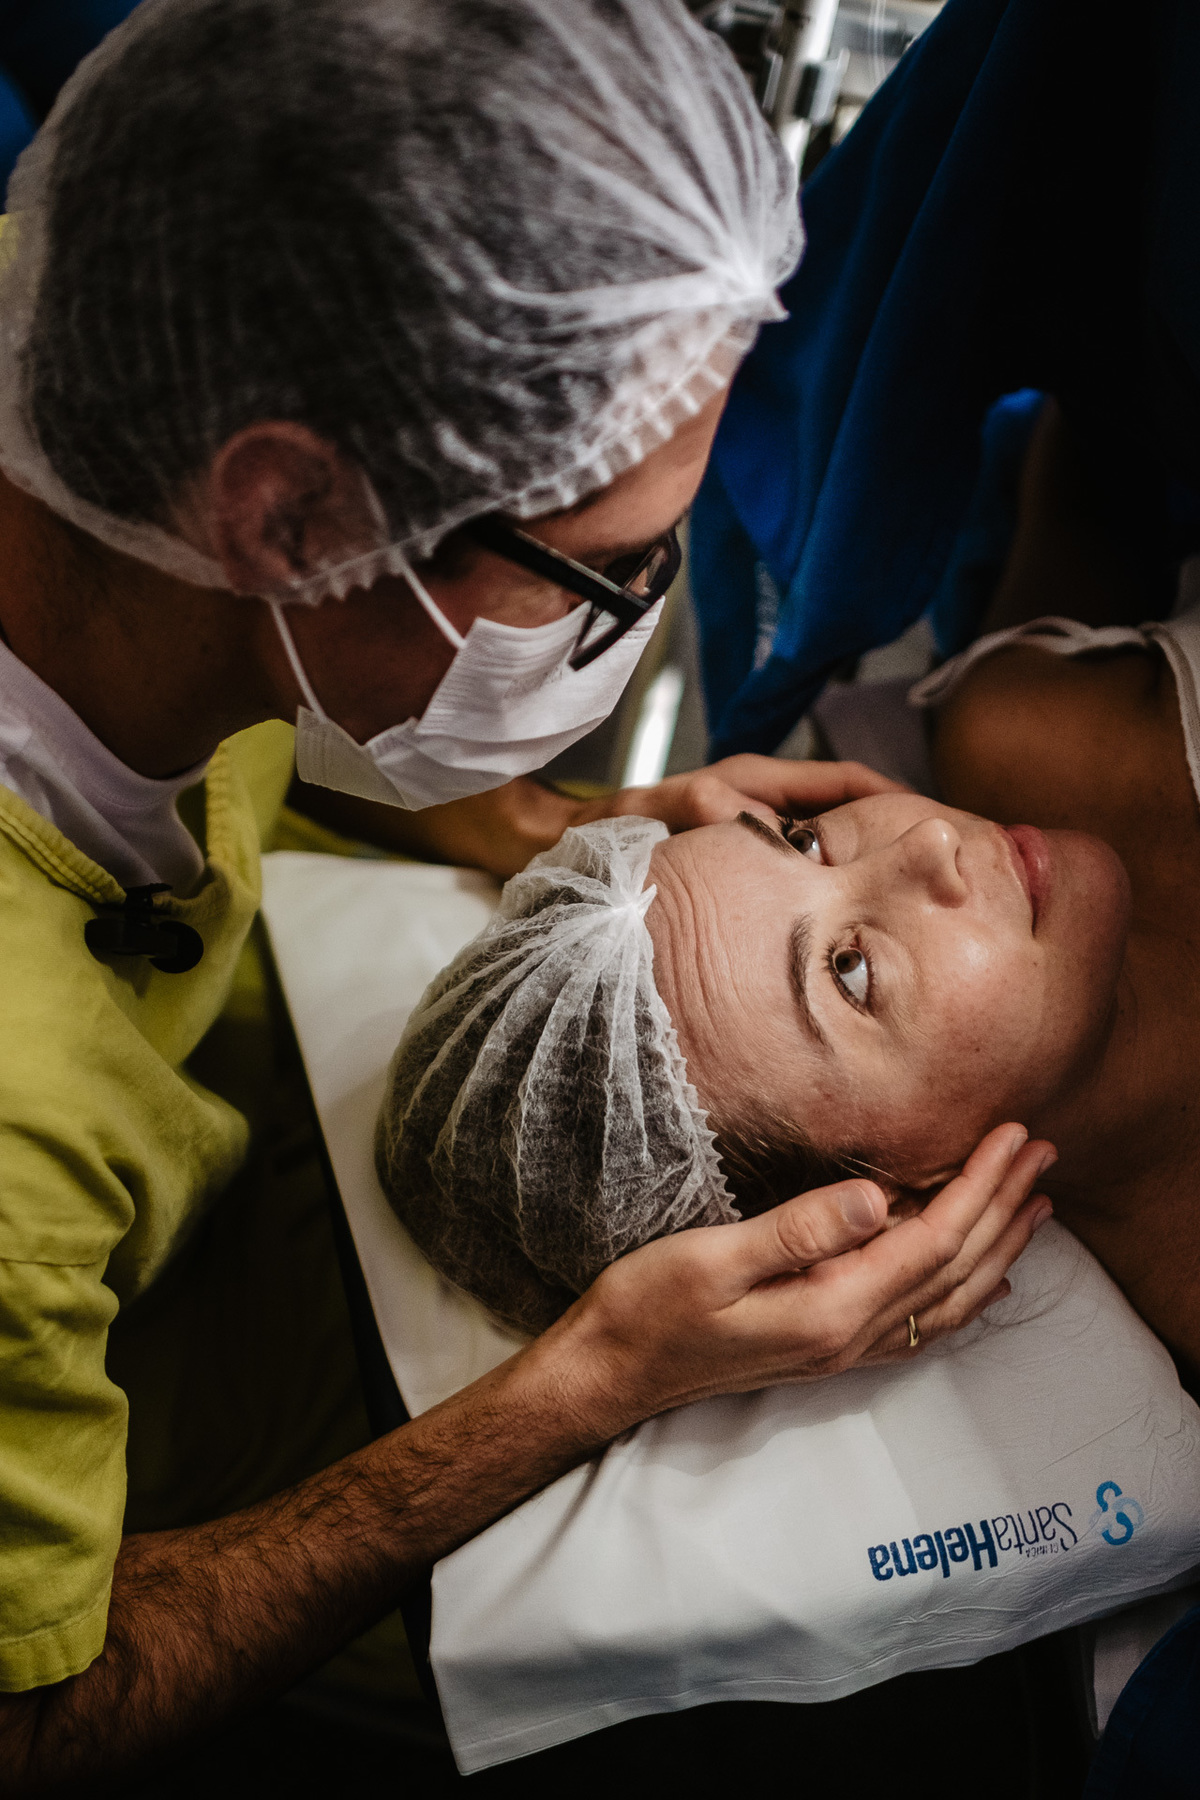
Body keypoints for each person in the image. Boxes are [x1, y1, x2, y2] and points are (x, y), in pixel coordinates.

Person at [0, 1, 1053, 1789]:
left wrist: (546, 817)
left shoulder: (113, 336)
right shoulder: (20, 1129)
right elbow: (40, 1714)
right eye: (615, 577)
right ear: (286, 517)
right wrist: (584, 1387)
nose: (640, 625)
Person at [379, 592, 1200, 1386]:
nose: (933, 838)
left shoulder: (1020, 723)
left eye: (802, 842)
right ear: (890, 1215)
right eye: (852, 970)